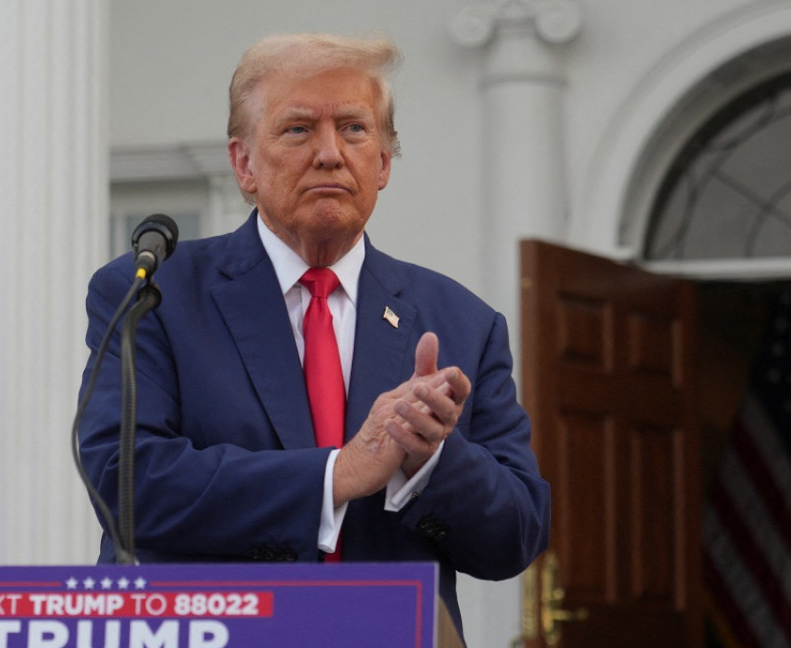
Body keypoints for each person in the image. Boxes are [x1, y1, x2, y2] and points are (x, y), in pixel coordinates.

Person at [77, 32, 551, 637]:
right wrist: (338, 473)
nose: (330, 153)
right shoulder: (154, 292)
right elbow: (126, 480)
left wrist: (429, 458)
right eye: (298, 129)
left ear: (382, 164)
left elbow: (516, 536)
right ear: (244, 163)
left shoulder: (460, 321)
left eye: (353, 129)